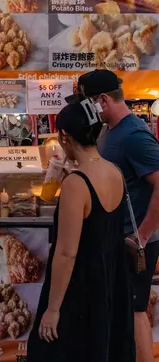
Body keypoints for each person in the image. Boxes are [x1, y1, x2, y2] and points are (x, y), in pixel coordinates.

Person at [27, 101, 135, 362]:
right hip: (111, 280)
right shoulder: (114, 171)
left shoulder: (77, 183)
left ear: (64, 137)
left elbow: (67, 252)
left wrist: (53, 309)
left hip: (81, 289)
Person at [79, 69, 159, 362]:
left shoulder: (134, 135)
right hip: (116, 238)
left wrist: (143, 235)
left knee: (136, 310)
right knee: (121, 310)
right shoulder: (108, 131)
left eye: (87, 102)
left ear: (102, 100)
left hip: (133, 244)